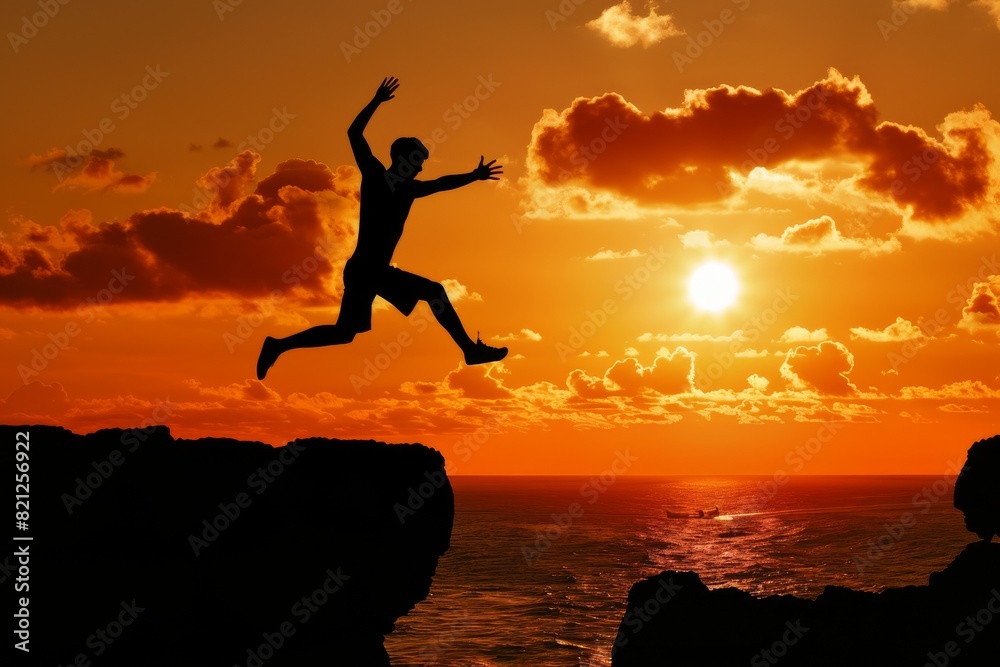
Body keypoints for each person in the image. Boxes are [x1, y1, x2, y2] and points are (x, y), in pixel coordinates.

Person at [257, 77, 508, 380]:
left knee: (344, 333)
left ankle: (278, 346)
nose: (420, 167)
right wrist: (376, 101)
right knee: (434, 292)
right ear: (402, 159)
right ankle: (470, 350)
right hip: (368, 270)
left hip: (367, 270)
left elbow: (442, 184)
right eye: (417, 160)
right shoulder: (376, 177)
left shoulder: (408, 190)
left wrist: (473, 175)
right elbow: (354, 133)